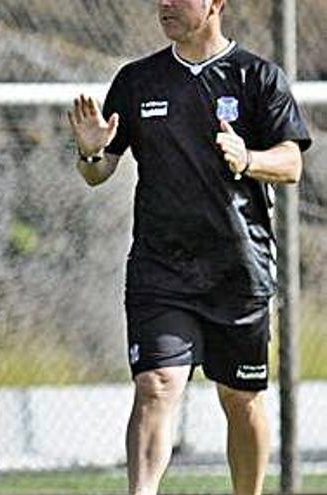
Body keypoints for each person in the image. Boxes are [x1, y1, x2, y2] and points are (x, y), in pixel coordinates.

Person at [67, 0, 311, 494]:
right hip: (161, 271)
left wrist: (248, 158)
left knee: (240, 399)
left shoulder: (257, 77)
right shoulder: (137, 81)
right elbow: (98, 173)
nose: (166, 4)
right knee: (156, 385)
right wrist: (91, 150)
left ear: (216, 4)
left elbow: (291, 164)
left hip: (238, 270)